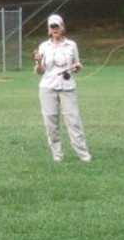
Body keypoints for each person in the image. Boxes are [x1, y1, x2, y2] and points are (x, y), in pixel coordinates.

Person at [33, 14, 92, 162]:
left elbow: (77, 65)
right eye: (52, 27)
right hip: (47, 87)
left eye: (57, 26)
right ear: (48, 29)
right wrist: (39, 63)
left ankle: (83, 154)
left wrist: (77, 66)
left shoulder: (71, 45)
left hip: (67, 87)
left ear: (62, 27)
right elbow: (40, 72)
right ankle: (57, 154)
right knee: (51, 122)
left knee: (74, 121)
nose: (55, 29)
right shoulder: (43, 47)